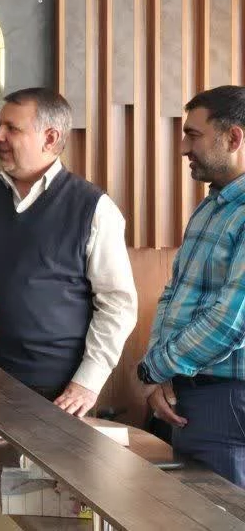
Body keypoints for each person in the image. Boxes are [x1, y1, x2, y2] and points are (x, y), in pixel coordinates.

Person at [0, 87, 137, 415]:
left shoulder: (94, 207)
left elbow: (117, 304)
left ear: (50, 138)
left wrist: (88, 382)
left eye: (12, 128)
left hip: (63, 395)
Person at [138, 85, 245, 486]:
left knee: (218, 514)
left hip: (227, 398)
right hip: (194, 390)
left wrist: (155, 367)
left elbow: (231, 321)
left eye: (193, 135)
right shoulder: (212, 206)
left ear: (233, 138)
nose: (183, 148)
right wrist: (158, 371)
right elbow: (174, 294)